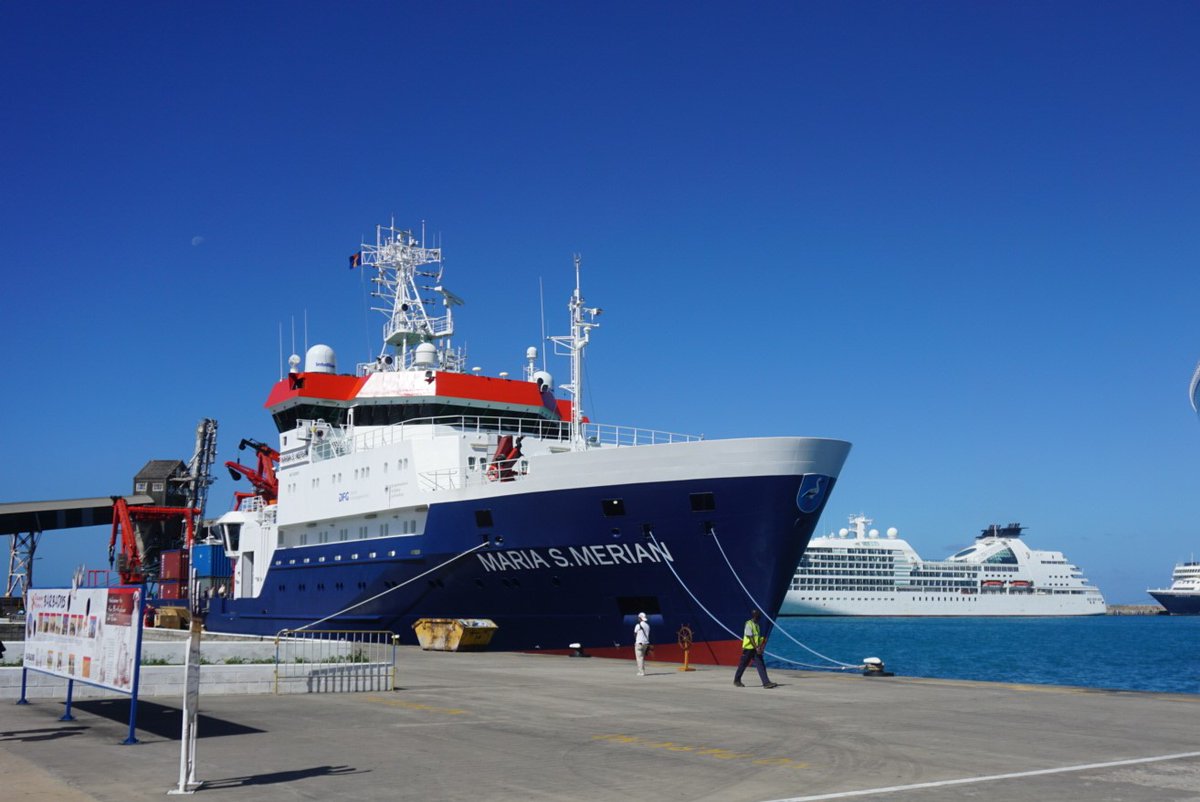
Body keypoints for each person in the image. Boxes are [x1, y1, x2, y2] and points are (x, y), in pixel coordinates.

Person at [733, 609, 777, 688]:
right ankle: (737, 680)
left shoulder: (757, 625)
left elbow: (757, 638)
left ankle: (766, 682)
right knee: (743, 665)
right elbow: (750, 637)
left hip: (755, 649)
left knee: (761, 664)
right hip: (748, 648)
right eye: (759, 615)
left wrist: (759, 647)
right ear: (755, 616)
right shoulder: (748, 624)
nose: (760, 616)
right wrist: (756, 647)